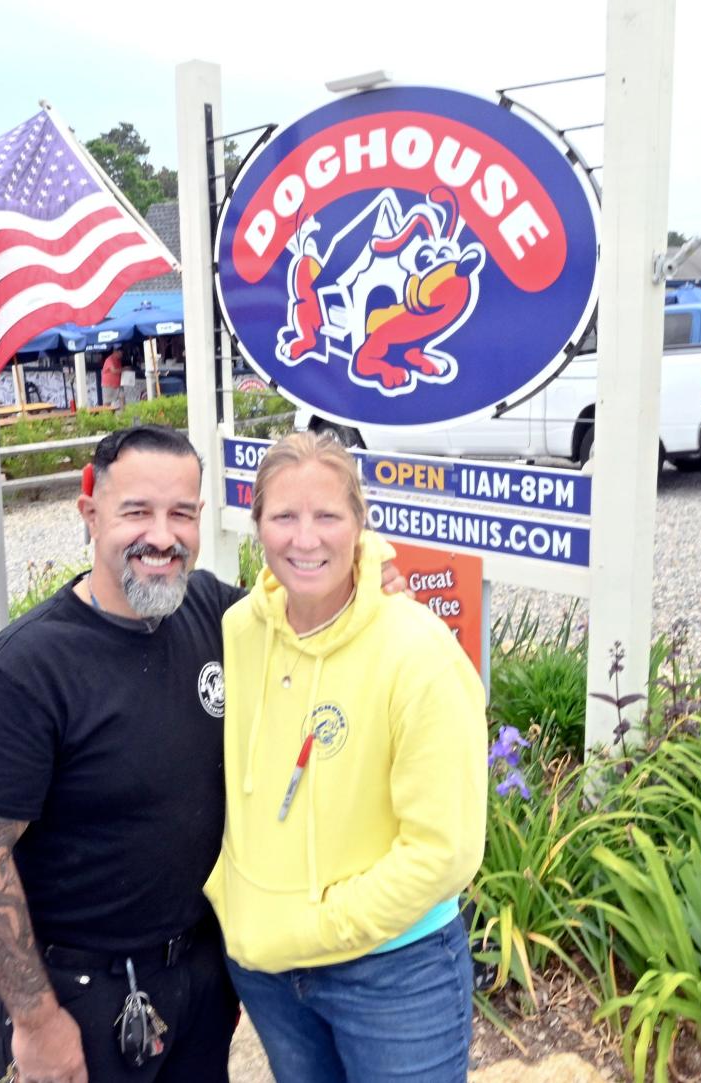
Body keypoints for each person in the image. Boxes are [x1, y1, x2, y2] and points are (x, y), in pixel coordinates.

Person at [0, 425, 241, 1083]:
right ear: (91, 513)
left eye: (181, 513)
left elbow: (310, 613)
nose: (162, 536)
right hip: (81, 995)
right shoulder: (25, 672)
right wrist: (36, 1019)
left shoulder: (213, 611)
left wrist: (372, 572)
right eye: (136, 511)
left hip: (198, 976)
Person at [205, 431, 488, 1083]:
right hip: (271, 973)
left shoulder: (420, 653)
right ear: (257, 525)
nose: (306, 539)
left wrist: (315, 924)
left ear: (361, 523)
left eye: (328, 515)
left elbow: (444, 850)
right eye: (284, 516)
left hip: (394, 975)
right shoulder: (239, 632)